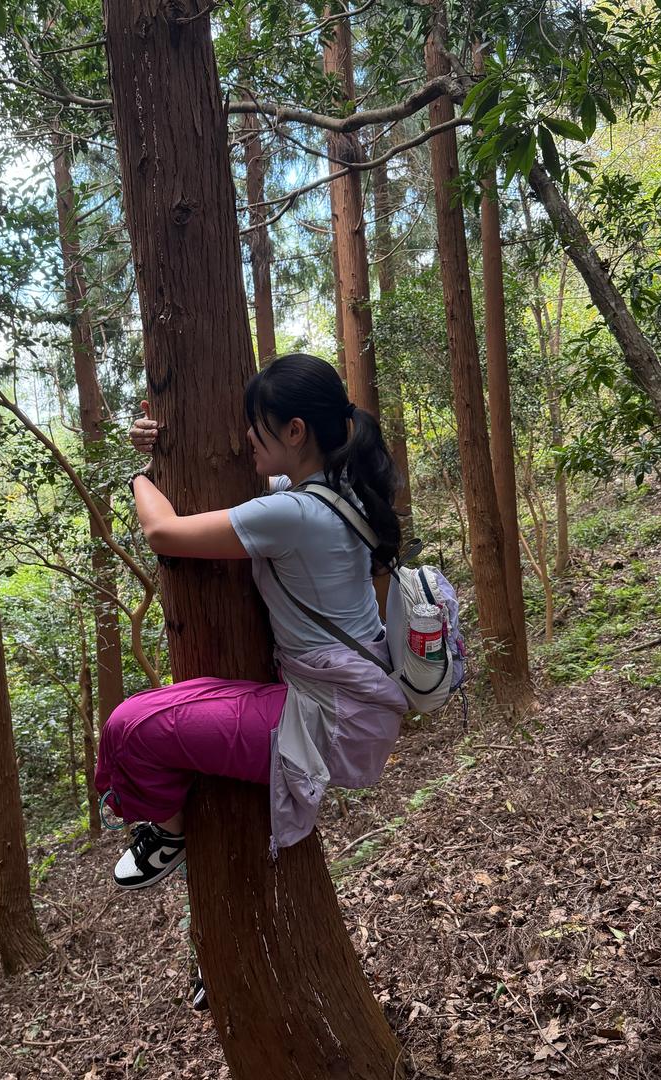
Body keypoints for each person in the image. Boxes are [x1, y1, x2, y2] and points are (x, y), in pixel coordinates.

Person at [95, 352, 408, 891]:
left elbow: (163, 534)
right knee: (160, 711)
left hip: (328, 719)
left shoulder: (294, 513)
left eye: (256, 424)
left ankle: (168, 834)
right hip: (348, 707)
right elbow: (257, 509)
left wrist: (140, 476)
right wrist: (165, 449)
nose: (245, 435)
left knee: (131, 727)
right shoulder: (335, 492)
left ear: (294, 430)